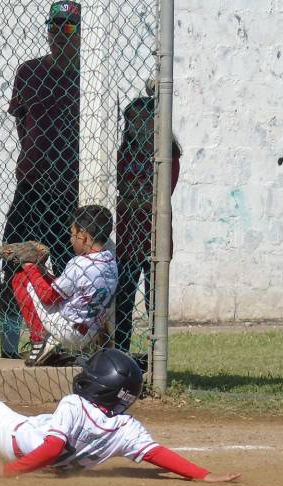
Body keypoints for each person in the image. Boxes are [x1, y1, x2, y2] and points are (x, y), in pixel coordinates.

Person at [0, 348, 241, 483]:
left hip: (22, 446)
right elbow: (157, 454)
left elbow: (53, 447)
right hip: (42, 457)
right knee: (35, 424)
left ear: (98, 383)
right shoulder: (126, 428)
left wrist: (8, 471)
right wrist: (203, 475)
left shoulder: (74, 402)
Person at [0, 1, 82, 358]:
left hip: (68, 185)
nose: (57, 35)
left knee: (65, 266)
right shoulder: (30, 72)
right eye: (53, 27)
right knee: (13, 257)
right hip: (32, 180)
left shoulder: (87, 75)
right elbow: (23, 126)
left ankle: (62, 341)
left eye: (67, 28)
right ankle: (8, 345)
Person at [6, 205, 117, 367]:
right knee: (43, 279)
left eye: (73, 234)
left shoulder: (79, 263)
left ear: (83, 236)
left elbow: (48, 296)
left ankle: (39, 342)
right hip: (89, 331)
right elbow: (66, 288)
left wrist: (29, 265)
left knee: (21, 279)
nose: (71, 239)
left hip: (67, 329)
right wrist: (42, 271)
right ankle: (52, 345)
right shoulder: (111, 262)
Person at [114, 96, 181, 352]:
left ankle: (155, 356)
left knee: (154, 300)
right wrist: (139, 196)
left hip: (154, 236)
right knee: (124, 299)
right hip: (128, 236)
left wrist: (136, 197)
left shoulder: (167, 155)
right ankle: (121, 350)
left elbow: (162, 195)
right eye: (131, 122)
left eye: (143, 121)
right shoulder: (126, 153)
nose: (136, 128)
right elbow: (123, 188)